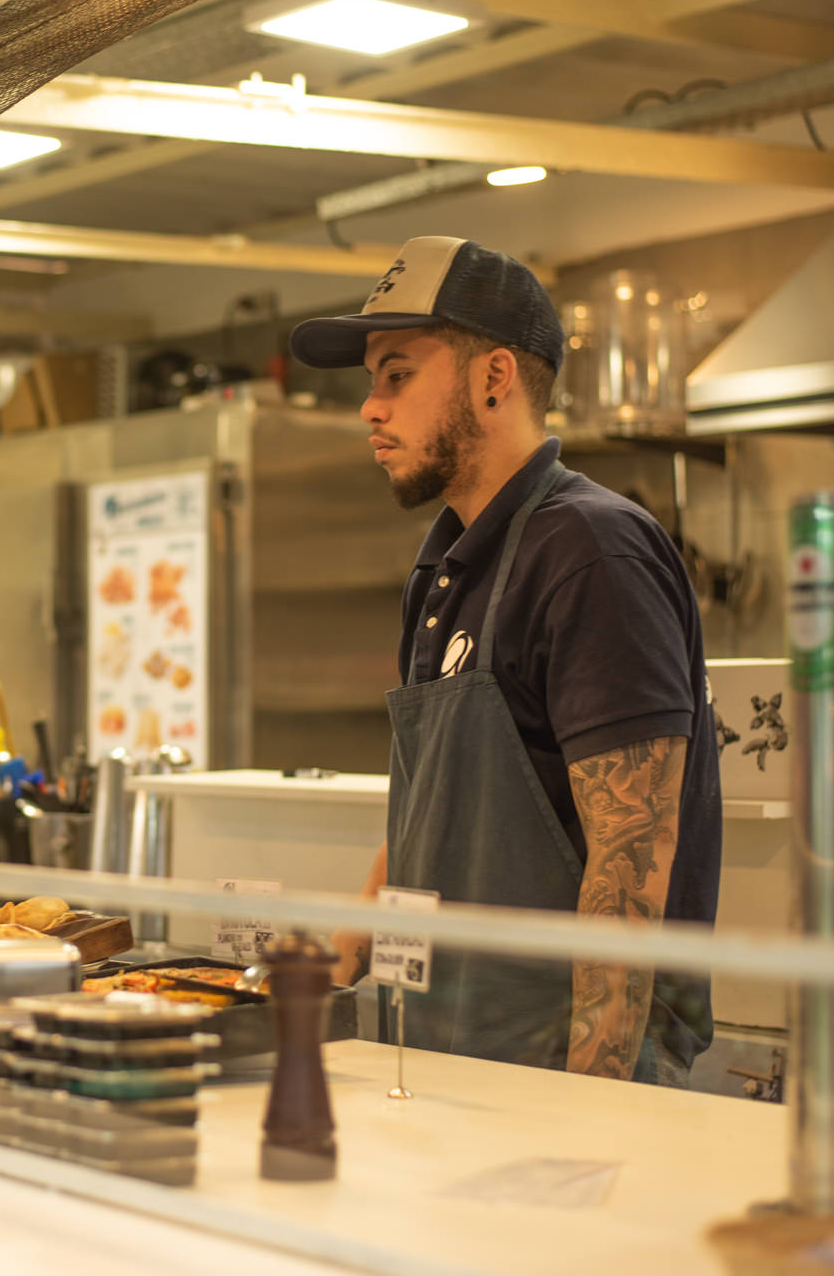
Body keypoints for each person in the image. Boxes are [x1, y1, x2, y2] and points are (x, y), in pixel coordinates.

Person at [290, 237, 721, 1086]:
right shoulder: (444, 563)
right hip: (445, 1054)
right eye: (371, 381)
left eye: (398, 375)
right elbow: (430, 815)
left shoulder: (592, 552)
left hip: (562, 1071)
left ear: (494, 378)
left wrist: (589, 1102)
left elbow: (631, 860)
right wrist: (322, 980)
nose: (370, 409)